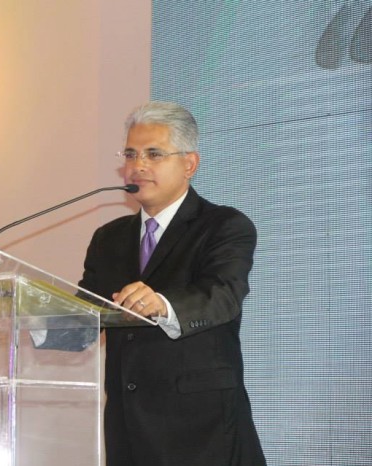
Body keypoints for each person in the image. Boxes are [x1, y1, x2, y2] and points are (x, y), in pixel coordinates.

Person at [78, 101, 266, 465]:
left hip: (202, 429)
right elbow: (86, 312)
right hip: (128, 427)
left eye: (153, 154)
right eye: (131, 154)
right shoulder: (108, 238)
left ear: (189, 164)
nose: (138, 166)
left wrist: (162, 304)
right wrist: (30, 316)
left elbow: (223, 295)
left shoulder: (224, 226)